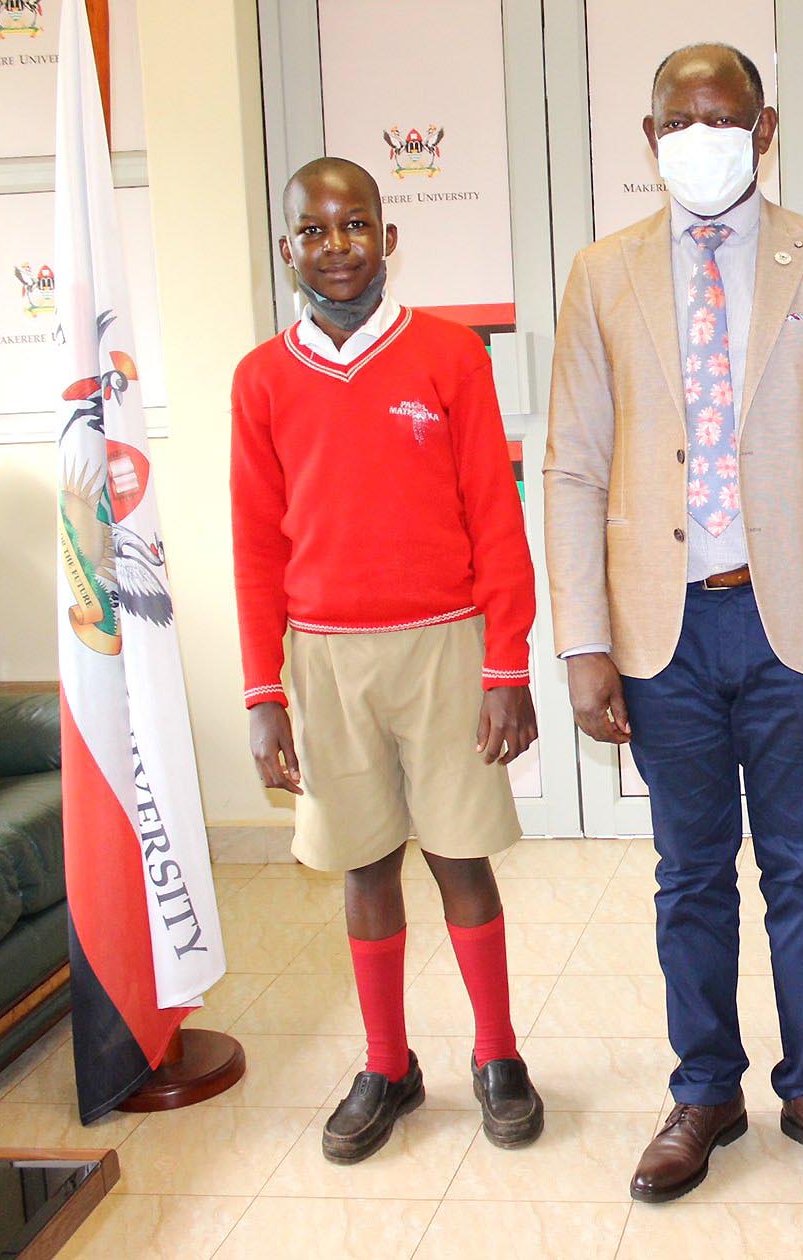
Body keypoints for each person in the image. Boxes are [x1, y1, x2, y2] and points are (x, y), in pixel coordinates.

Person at [544, 44, 803, 1202]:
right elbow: (569, 468)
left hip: (793, 622)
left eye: (726, 117)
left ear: (765, 128)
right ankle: (703, 1089)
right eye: (680, 119)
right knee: (688, 875)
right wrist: (581, 640)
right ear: (649, 137)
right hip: (662, 635)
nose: (703, 136)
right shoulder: (602, 274)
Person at [230, 157, 545, 1164]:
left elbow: (496, 519)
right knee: (364, 865)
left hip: (446, 646)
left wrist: (506, 667)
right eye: (315, 232)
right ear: (289, 248)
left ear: (387, 237)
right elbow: (254, 547)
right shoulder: (261, 378)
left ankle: (496, 1055)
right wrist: (261, 694)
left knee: (460, 857)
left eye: (355, 226)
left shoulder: (449, 354)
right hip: (323, 662)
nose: (337, 248)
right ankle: (386, 1063)